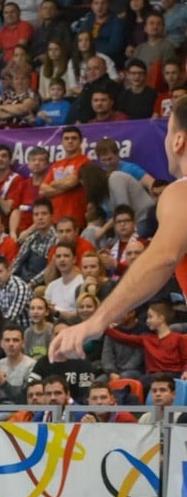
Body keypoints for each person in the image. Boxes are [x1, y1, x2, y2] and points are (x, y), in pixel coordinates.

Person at [50, 96, 187, 368]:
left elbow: (163, 257)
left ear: (178, 141)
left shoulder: (181, 192)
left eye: (168, 130)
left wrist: (96, 321)